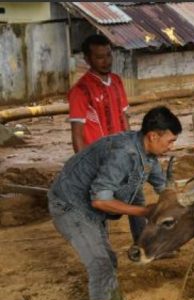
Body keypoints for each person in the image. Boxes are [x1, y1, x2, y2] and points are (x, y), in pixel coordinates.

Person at [48, 106, 181, 300]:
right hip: (69, 205)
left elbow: (162, 186)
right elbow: (100, 200)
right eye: (170, 140)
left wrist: (177, 203)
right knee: (100, 265)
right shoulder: (124, 153)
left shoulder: (148, 155)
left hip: (87, 206)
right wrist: (144, 212)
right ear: (153, 136)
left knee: (109, 260)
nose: (172, 146)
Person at [68, 34, 149, 257]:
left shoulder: (117, 82)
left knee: (136, 196)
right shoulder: (80, 91)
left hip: (123, 156)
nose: (106, 61)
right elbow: (77, 135)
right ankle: (102, 254)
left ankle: (142, 244)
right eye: (99, 57)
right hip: (99, 161)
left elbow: (125, 120)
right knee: (99, 207)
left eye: (108, 55)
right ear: (87, 59)